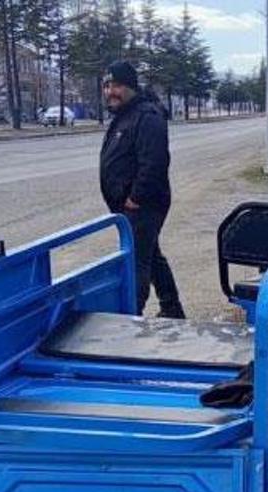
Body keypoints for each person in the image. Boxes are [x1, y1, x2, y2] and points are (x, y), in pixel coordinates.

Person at [99, 59, 185, 319]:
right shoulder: (125, 115)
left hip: (144, 204)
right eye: (106, 86)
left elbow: (155, 161)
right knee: (151, 254)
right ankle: (172, 308)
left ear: (130, 86)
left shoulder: (147, 116)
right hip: (129, 206)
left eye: (115, 85)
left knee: (136, 262)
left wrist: (136, 197)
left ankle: (131, 318)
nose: (109, 91)